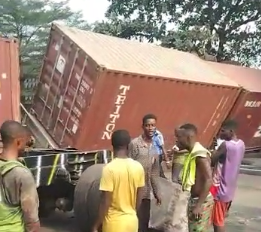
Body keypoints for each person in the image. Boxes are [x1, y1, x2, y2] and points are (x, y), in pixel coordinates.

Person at [92, 130, 145, 232]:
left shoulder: (109, 169)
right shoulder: (138, 167)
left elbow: (105, 201)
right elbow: (139, 198)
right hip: (132, 222)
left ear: (112, 145)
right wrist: (132, 213)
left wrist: (96, 225)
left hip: (114, 223)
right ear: (129, 145)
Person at [0, 120, 40, 232]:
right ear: (18, 142)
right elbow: (31, 220)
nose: (26, 147)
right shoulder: (22, 174)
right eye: (24, 143)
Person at [177, 123, 213, 232]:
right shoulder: (193, 153)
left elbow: (209, 179)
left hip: (201, 201)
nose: (177, 140)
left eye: (179, 137)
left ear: (189, 137)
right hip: (195, 199)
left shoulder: (200, 156)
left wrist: (199, 205)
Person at [129, 113, 161, 232]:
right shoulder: (135, 144)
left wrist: (157, 193)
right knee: (134, 220)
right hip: (134, 190)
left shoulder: (155, 146)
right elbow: (128, 165)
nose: (150, 128)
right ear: (143, 127)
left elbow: (154, 172)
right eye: (147, 125)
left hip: (146, 192)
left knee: (144, 222)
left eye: (153, 125)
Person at [211, 120, 245, 232]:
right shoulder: (241, 144)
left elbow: (212, 160)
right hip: (230, 188)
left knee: (218, 221)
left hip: (220, 189)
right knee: (221, 217)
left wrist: (213, 148)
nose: (220, 133)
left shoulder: (226, 145)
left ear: (231, 131)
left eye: (223, 131)